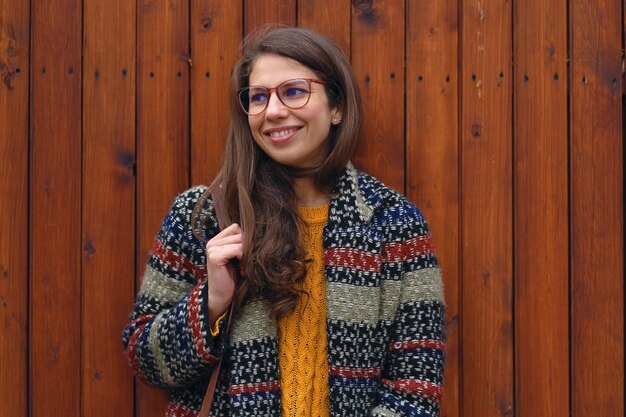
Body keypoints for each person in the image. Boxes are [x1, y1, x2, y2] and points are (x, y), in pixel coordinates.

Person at [122, 27, 445, 417]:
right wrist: (212, 302)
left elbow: (416, 386)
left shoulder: (395, 224)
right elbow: (144, 359)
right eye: (259, 97)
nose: (272, 111)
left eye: (293, 91)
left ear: (337, 106)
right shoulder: (204, 215)